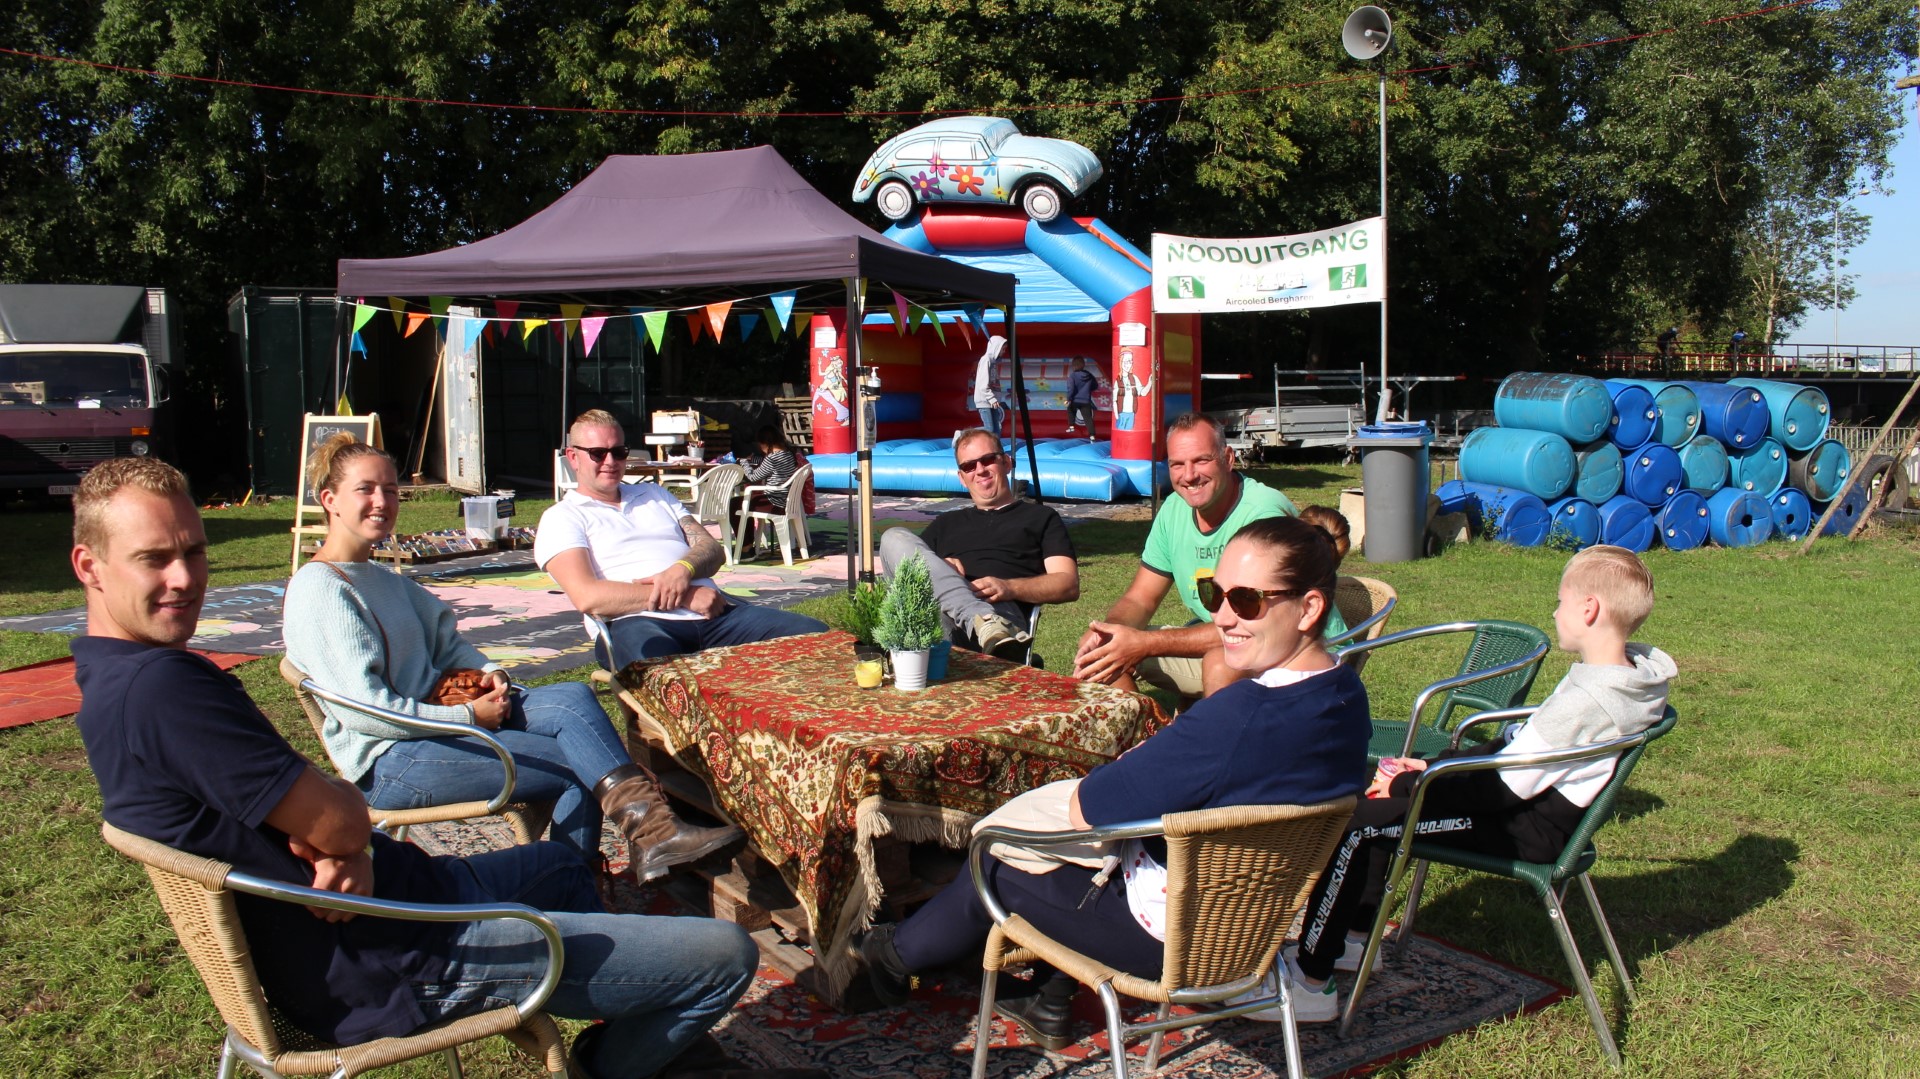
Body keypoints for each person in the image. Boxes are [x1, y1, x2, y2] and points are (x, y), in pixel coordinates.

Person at [68, 457, 823, 1079]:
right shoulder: (166, 689)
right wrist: (341, 833)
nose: (184, 577)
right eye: (154, 558)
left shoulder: (119, 678)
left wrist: (338, 837)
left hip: (398, 898)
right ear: (89, 567)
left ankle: (665, 1040)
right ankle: (611, 1062)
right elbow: (343, 803)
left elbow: (305, 806)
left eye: (194, 552)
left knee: (563, 865)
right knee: (724, 955)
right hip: (405, 953)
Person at [860, 517, 1370, 1042]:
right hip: (1245, 928)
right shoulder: (1344, 696)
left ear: (1309, 607)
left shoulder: (1239, 715)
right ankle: (1046, 997)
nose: (1221, 617)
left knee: (993, 859)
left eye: (1246, 601)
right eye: (1213, 594)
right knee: (1066, 850)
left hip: (1167, 941)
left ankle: (894, 956)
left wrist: (1149, 755)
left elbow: (1093, 807)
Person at [284, 433, 739, 885]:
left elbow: (448, 645)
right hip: (391, 760)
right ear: (330, 500)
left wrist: (491, 673)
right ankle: (575, 884)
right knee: (578, 762)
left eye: (390, 489)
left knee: (572, 698)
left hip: (434, 724)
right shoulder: (322, 589)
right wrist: (469, 716)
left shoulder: (386, 579)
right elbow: (367, 713)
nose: (381, 501)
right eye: (365, 490)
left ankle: (651, 837)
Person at [1289, 545, 1675, 1012]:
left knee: (1359, 824)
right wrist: (1427, 768)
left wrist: (1411, 787)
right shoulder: (1623, 678)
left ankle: (1311, 983)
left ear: (1589, 609)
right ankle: (1352, 943)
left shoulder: (1587, 702)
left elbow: (1500, 788)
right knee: (1376, 808)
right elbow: (1517, 747)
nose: (1555, 612)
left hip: (1524, 827)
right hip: (1526, 809)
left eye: (1561, 601)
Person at [1073, 413, 1343, 699]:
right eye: (1177, 464)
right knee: (1101, 653)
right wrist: (1108, 633)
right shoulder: (1174, 510)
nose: (1189, 475)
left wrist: (1146, 643)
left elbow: (1259, 620)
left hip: (1296, 650)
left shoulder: (1263, 515)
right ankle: (1149, 728)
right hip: (1233, 641)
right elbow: (1141, 598)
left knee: (1219, 663)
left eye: (1201, 460)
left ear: (1228, 458)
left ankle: (1214, 728)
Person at [537, 410, 827, 671]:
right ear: (573, 457)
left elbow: (712, 549)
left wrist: (682, 570)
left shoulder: (654, 494)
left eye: (619, 452)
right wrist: (686, 596)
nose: (610, 462)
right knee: (666, 674)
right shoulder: (562, 517)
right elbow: (588, 596)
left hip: (715, 615)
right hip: (638, 622)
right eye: (598, 453)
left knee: (818, 638)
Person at [878, 427, 1079, 660]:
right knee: (893, 537)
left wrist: (1009, 587)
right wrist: (939, 566)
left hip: (1001, 617)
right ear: (961, 478)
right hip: (940, 616)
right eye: (969, 466)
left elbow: (1068, 584)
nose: (980, 470)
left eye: (988, 460)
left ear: (1006, 462)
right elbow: (903, 572)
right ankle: (982, 620)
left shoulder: (1041, 517)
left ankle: (987, 623)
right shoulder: (945, 523)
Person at [973, 333, 1008, 440]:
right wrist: (992, 398)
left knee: (996, 429)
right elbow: (983, 384)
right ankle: (963, 434)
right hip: (985, 401)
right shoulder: (986, 360)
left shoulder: (993, 362)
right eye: (1002, 349)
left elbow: (994, 383)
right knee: (989, 429)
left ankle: (996, 448)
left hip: (992, 401)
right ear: (996, 347)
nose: (1004, 351)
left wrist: (996, 399)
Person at [1065, 356, 1097, 437]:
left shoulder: (1073, 375)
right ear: (1083, 365)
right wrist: (1088, 390)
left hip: (1075, 400)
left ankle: (1071, 427)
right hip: (1085, 401)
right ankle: (1092, 436)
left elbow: (1071, 389)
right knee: (1088, 418)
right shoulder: (1088, 375)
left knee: (1070, 409)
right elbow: (1095, 385)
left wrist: (1068, 399)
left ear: (1074, 365)